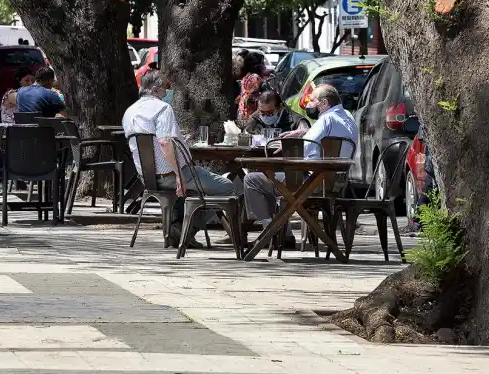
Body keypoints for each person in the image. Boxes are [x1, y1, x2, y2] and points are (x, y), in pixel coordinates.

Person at [123, 69, 238, 248]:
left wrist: (177, 138)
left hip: (146, 178)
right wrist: (178, 174)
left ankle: (177, 228)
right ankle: (184, 229)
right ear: (154, 89)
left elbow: (152, 140)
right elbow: (164, 142)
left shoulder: (129, 111)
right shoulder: (163, 108)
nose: (169, 91)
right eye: (166, 86)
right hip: (171, 174)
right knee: (228, 188)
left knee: (195, 190)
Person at [242, 84, 357, 246]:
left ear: (324, 103)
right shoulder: (348, 117)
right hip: (336, 184)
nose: (307, 105)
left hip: (311, 184)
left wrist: (289, 144)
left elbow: (304, 149)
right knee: (271, 179)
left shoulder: (326, 120)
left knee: (253, 180)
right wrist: (304, 133)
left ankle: (271, 232)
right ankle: (283, 234)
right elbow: (319, 140)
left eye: (312, 100)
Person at [234, 50, 267, 121]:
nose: (264, 66)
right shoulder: (255, 78)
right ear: (257, 65)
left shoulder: (246, 77)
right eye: (262, 63)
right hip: (250, 115)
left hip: (242, 113)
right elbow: (251, 97)